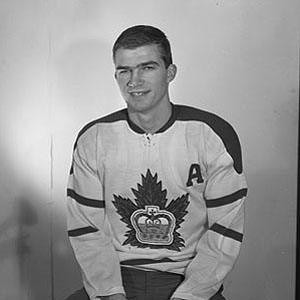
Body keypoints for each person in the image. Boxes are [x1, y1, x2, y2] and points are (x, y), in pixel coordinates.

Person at [66, 25, 247, 300]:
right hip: (118, 279)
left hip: (186, 280)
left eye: (147, 67)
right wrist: (109, 293)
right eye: (124, 70)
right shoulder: (94, 138)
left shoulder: (211, 135)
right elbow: (87, 229)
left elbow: (224, 230)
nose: (133, 81)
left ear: (170, 72)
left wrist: (191, 294)